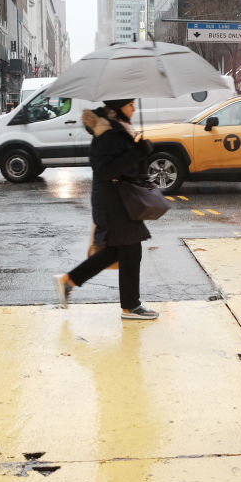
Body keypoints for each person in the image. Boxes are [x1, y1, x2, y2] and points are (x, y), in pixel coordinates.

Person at [54, 98, 159, 320]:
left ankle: (68, 282)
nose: (134, 107)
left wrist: (141, 150)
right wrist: (139, 151)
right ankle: (130, 307)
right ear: (118, 106)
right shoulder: (107, 134)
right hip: (113, 203)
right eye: (130, 104)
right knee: (130, 251)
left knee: (116, 251)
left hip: (120, 201)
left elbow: (124, 166)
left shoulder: (117, 129)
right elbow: (106, 171)